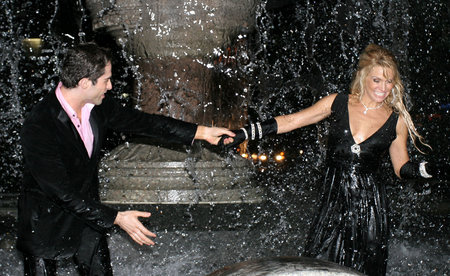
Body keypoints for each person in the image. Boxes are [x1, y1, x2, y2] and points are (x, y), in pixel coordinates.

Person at [221, 44, 441, 276]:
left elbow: (401, 168)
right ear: (364, 77)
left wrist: (425, 170)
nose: (383, 88)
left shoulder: (397, 120)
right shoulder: (338, 102)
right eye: (377, 80)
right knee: (319, 264)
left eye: (389, 82)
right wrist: (246, 133)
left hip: (372, 206)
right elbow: (291, 121)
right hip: (334, 200)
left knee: (367, 268)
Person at [18, 42, 235, 275]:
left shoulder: (97, 106)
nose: (110, 86)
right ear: (84, 83)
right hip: (46, 223)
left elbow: (145, 123)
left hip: (89, 219)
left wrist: (201, 132)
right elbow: (60, 191)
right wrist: (117, 218)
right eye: (106, 80)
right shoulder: (40, 124)